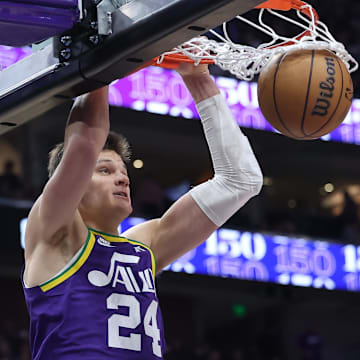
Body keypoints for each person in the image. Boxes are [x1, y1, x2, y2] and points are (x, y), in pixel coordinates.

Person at [22, 61, 263, 359]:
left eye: (122, 171)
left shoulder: (143, 247)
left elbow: (242, 180)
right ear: (73, 180)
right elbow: (84, 142)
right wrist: (104, 54)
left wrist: (199, 79)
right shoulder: (55, 232)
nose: (122, 177)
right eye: (105, 171)